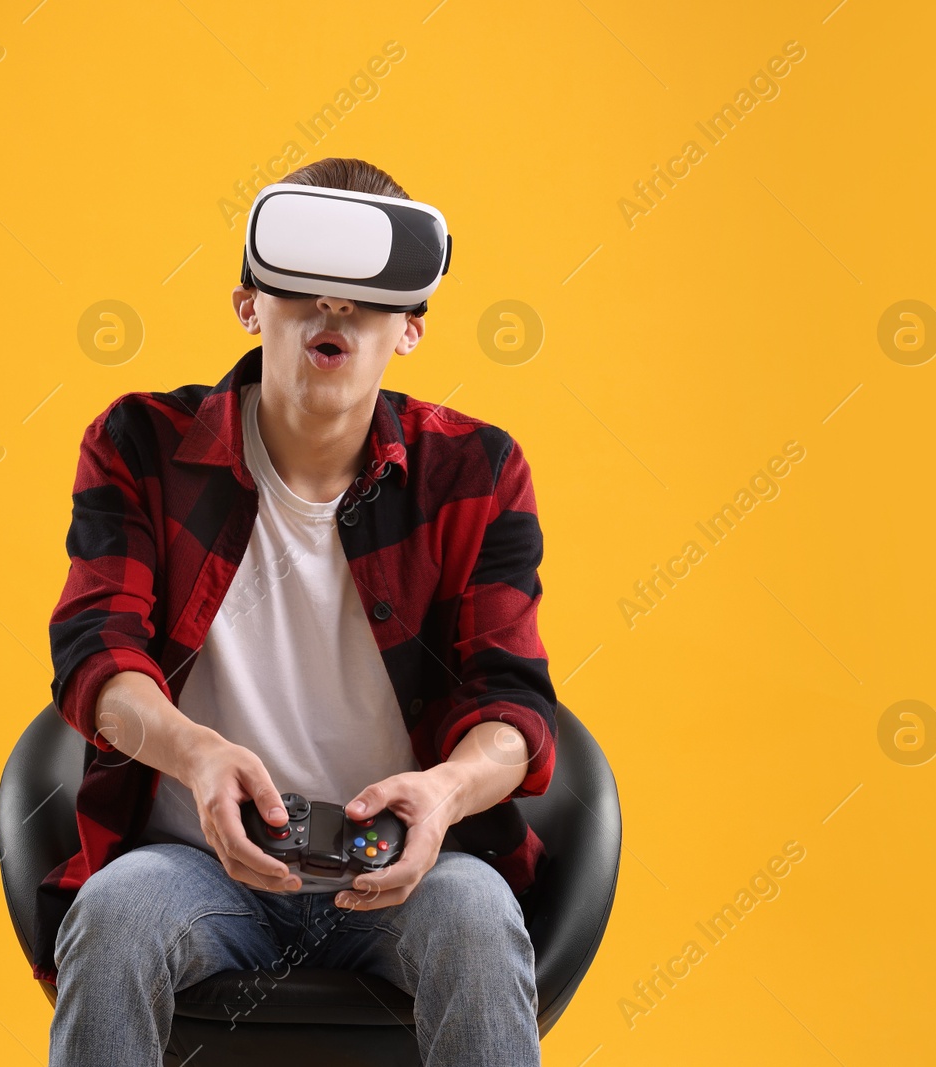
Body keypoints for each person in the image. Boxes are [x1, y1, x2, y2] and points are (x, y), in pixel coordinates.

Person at [43, 157, 557, 1066]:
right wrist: (198, 756)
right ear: (249, 303)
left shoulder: (475, 468)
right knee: (114, 917)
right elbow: (97, 655)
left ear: (411, 327)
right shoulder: (140, 443)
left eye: (368, 293)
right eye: (307, 283)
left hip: (410, 867)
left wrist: (440, 795)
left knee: (478, 919)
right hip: (194, 864)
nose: (337, 309)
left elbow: (512, 705)